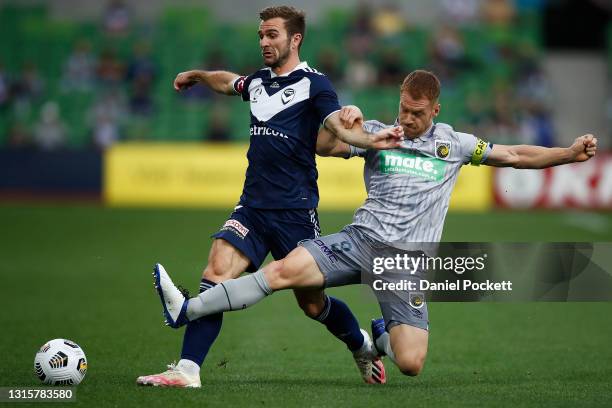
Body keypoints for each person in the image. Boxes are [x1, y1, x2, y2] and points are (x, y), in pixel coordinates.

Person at [152, 70, 598, 378]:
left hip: (406, 266)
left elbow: (516, 155)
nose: (407, 118)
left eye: (417, 112)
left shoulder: (455, 146)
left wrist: (567, 154)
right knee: (283, 271)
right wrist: (348, 121)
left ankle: (381, 334)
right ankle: (187, 309)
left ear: (436, 110)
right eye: (403, 108)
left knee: (411, 364)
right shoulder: (381, 135)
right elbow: (325, 147)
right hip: (358, 241)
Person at [136, 6, 403, 388]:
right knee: (215, 273)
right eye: (261, 35)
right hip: (252, 207)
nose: (264, 41)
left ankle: (361, 344)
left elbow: (337, 129)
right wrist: (198, 75)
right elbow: (229, 82)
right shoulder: (259, 82)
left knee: (313, 305)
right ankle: (187, 370)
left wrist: (374, 139)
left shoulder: (316, 84)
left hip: (295, 213)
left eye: (272, 35)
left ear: (295, 39)